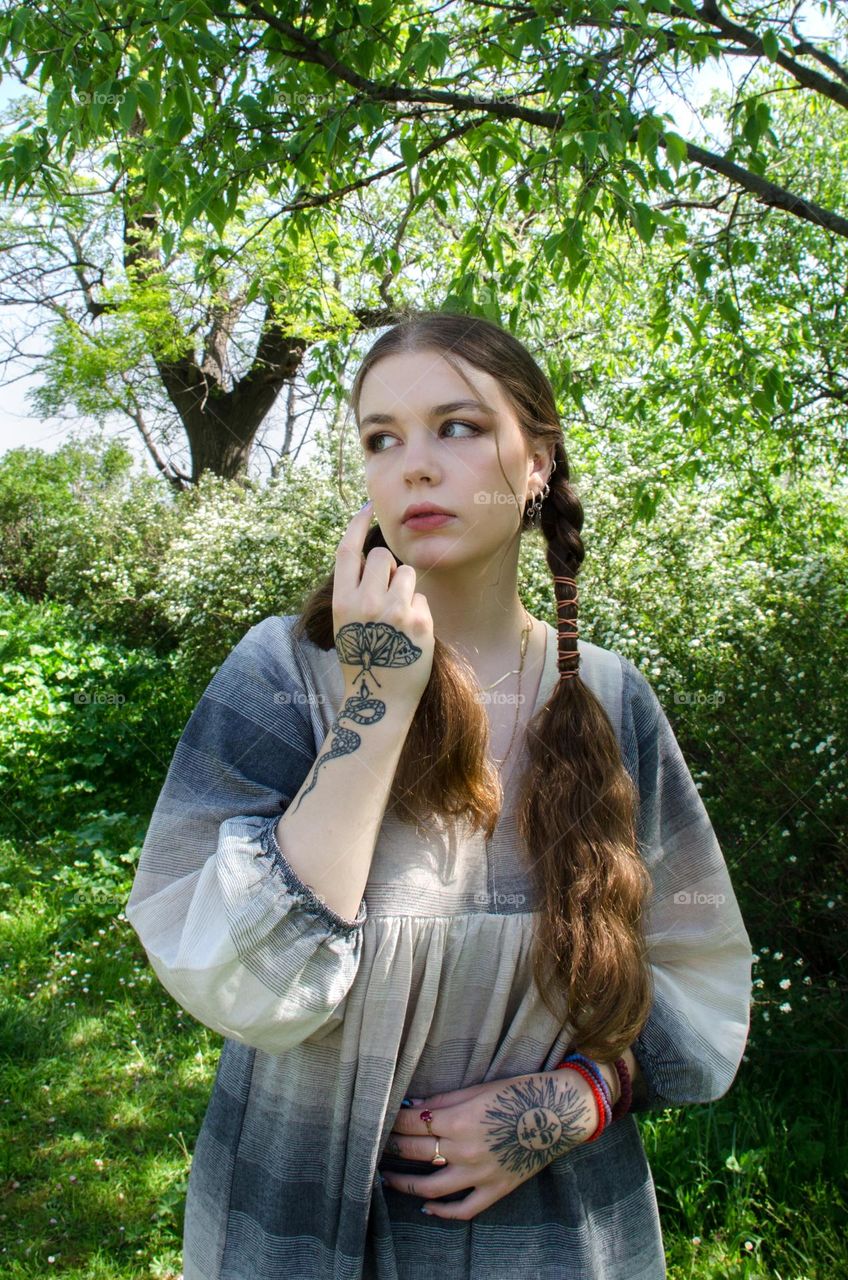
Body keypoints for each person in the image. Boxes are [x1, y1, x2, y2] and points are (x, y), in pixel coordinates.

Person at [125, 310, 753, 1279]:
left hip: (554, 1235)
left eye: (455, 426)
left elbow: (697, 962)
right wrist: (376, 697)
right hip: (293, 1223)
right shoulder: (282, 674)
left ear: (535, 459)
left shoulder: (615, 701)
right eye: (382, 437)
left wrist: (581, 1096)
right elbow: (233, 975)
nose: (412, 464)